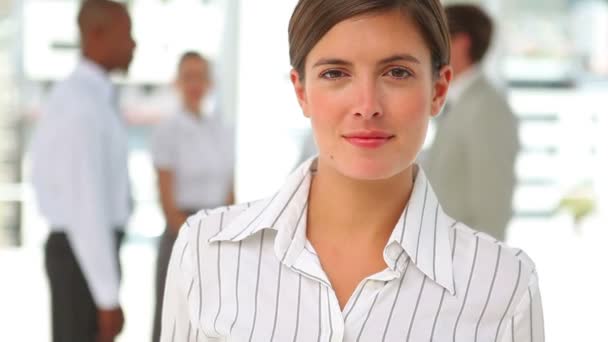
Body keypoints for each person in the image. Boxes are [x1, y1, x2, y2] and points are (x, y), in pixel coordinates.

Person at [161, 1, 544, 341]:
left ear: (438, 90)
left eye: (396, 72)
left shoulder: (504, 285)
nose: (367, 106)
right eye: (335, 74)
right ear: (301, 91)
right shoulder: (204, 252)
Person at [29, 1, 136, 341]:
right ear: (96, 35)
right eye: (127, 34)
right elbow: (85, 203)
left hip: (87, 255)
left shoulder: (94, 97)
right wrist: (107, 297)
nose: (133, 44)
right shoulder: (80, 102)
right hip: (80, 258)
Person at [150, 51, 235, 342]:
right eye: (188, 77)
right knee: (173, 325)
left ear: (210, 83)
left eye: (200, 77)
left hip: (219, 236)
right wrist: (195, 246)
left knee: (215, 326)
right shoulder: (167, 131)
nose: (194, 84)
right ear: (178, 82)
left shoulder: (221, 130)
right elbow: (167, 204)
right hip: (181, 236)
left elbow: (230, 192)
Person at [421, 4, 519, 241]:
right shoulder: (456, 101)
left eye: (437, 41)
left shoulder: (487, 108)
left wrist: (483, 270)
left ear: (462, 43)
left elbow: (493, 205)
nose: (430, 51)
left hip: (467, 264)